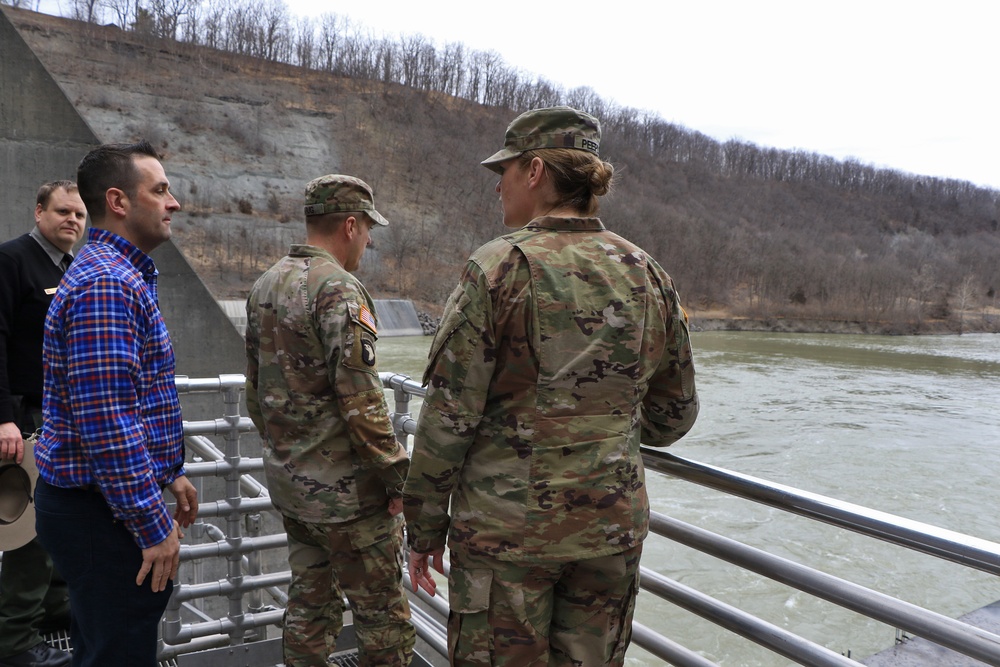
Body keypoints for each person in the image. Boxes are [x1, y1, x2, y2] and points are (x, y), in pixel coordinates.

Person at [403, 106, 700, 666]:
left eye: (505, 173)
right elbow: (674, 416)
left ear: (535, 171)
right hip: (608, 533)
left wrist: (423, 531)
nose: (499, 189)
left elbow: (448, 419)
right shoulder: (648, 273)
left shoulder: (497, 268)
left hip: (506, 539)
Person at [33, 141, 198, 667]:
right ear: (119, 202)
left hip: (96, 507)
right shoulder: (108, 284)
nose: (173, 203)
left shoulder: (117, 275)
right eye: (161, 189)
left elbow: (131, 398)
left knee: (102, 646)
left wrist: (168, 471)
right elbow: (106, 421)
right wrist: (152, 525)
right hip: (100, 516)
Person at [244, 175, 415, 667]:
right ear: (349, 224)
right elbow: (362, 401)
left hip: (295, 491)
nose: (369, 240)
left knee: (309, 609)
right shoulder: (338, 288)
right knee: (383, 621)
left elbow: (256, 393)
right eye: (367, 230)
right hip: (350, 501)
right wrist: (397, 478)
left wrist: (288, 456)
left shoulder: (266, 283)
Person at [0, 181, 86, 667]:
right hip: (23, 417)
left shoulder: (72, 269)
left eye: (78, 213)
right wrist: (4, 420)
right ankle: (13, 643)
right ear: (38, 212)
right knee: (26, 536)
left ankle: (55, 612)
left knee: (55, 523)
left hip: (59, 418)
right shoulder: (12, 261)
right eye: (62, 211)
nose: (72, 220)